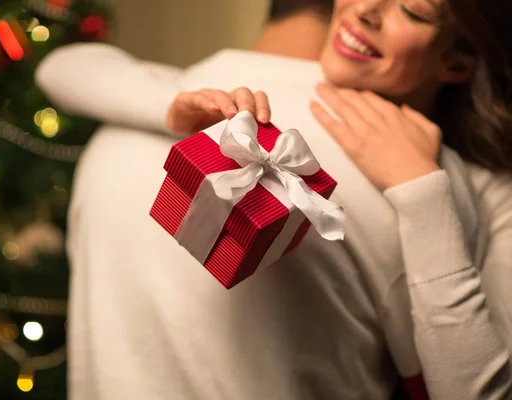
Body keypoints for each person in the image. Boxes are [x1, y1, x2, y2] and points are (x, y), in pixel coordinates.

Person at [35, 0, 512, 399]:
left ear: (456, 61)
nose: (366, 9)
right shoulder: (197, 96)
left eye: (412, 9)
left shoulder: (443, 185)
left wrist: (421, 187)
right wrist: (177, 109)